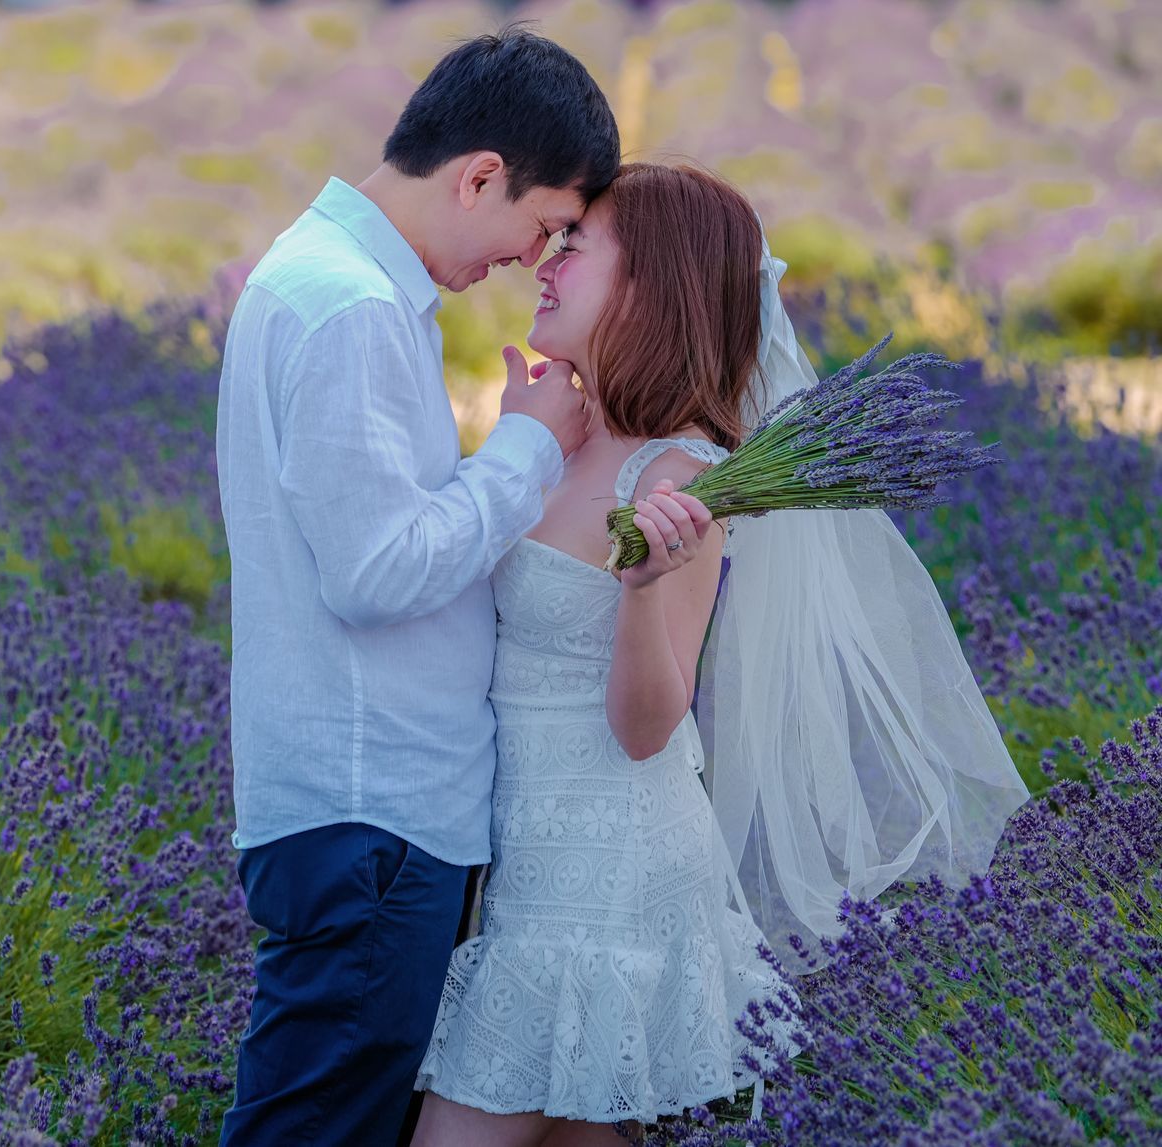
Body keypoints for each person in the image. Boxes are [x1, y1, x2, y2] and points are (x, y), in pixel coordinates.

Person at [410, 163, 1032, 1147]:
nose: (546, 263)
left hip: (603, 874)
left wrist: (641, 589)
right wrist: (515, 443)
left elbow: (648, 726)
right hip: (526, 857)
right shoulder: (558, 432)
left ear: (650, 286)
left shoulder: (681, 472)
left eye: (576, 247)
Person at [212, 23, 621, 1147]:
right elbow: (378, 569)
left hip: (369, 809)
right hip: (372, 807)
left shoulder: (333, 284)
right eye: (543, 224)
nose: (532, 260)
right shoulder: (350, 307)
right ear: (480, 176)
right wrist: (529, 447)